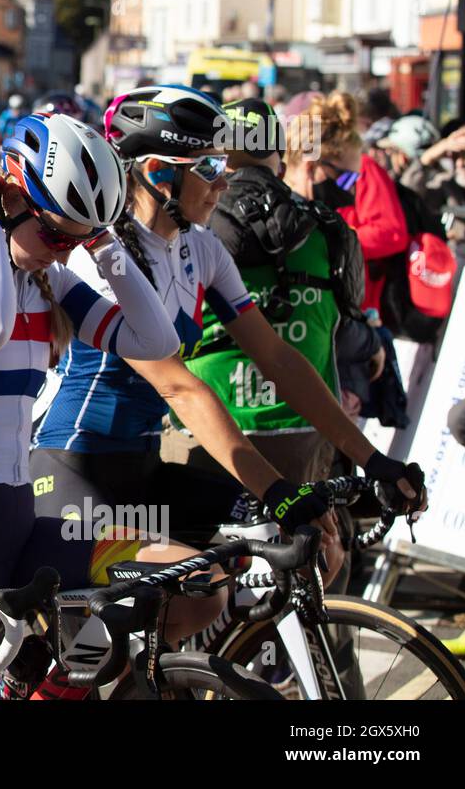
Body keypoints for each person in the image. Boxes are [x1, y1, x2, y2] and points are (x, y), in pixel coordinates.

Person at [0, 111, 213, 699]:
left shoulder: (48, 282)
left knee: (195, 584)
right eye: (56, 234)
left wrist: (102, 240)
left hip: (18, 524)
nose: (63, 252)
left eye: (75, 239)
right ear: (10, 198)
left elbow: (158, 341)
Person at [32, 86, 422, 557]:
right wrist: (277, 491)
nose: (226, 183)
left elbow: (278, 358)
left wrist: (374, 459)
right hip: (74, 466)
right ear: (158, 173)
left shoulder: (202, 248)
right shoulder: (103, 255)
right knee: (195, 587)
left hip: (145, 467)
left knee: (312, 550)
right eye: (212, 168)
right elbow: (178, 387)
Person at [167, 98, 380, 590]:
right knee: (315, 565)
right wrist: (374, 345)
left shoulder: (192, 227)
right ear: (279, 155)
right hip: (304, 423)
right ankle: (311, 661)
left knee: (199, 574)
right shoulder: (328, 226)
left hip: (207, 424)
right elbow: (344, 329)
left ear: (223, 156)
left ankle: (213, 662)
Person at [289, 92, 407, 320]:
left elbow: (392, 232)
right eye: (347, 181)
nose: (351, 189)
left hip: (354, 307)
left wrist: (343, 241)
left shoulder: (365, 168)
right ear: (311, 166)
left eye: (354, 181)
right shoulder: (276, 213)